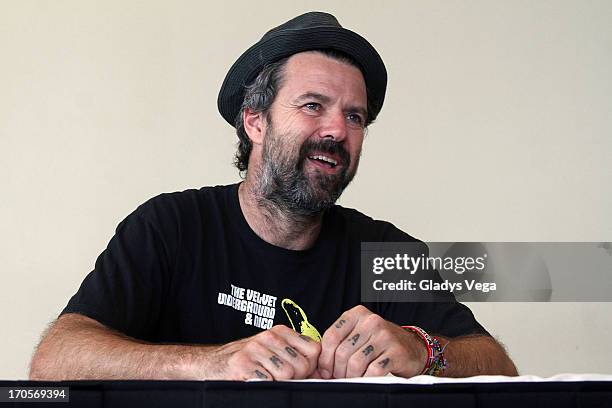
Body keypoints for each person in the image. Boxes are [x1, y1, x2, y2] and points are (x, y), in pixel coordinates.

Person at [29, 12, 517, 381]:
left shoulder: (387, 253)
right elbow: (54, 360)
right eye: (313, 105)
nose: (337, 130)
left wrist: (423, 348)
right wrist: (210, 362)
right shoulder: (171, 226)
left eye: (355, 116)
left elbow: (499, 367)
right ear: (255, 121)